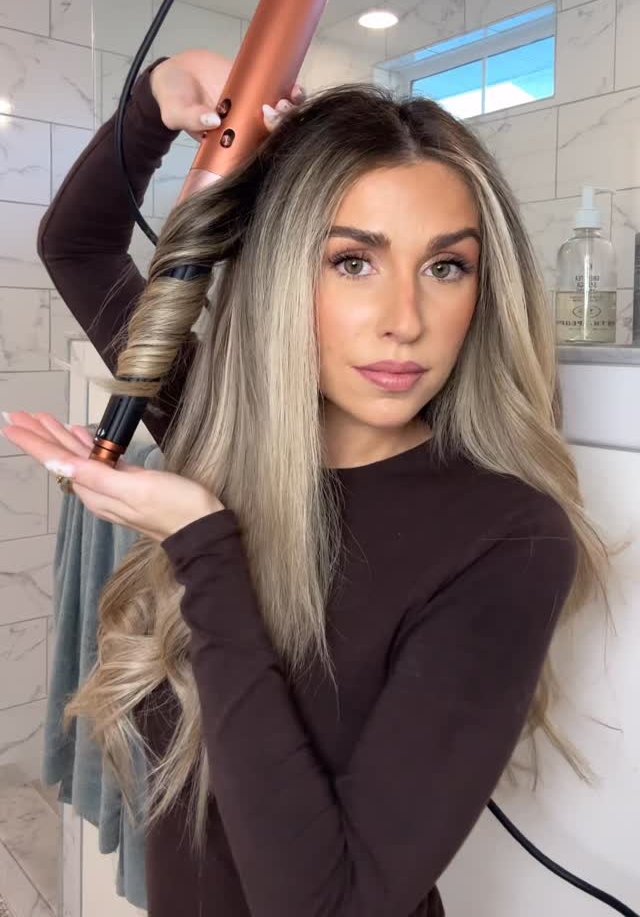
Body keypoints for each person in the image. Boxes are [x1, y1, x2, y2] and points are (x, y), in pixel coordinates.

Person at [1, 49, 609, 917]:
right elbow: (77, 245)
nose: (405, 321)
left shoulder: (508, 539)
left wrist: (204, 548)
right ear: (285, 270)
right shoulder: (222, 431)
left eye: (446, 267)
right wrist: (154, 100)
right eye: (353, 261)